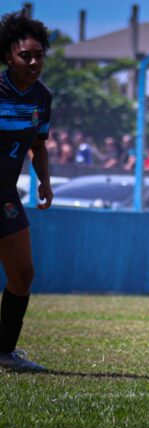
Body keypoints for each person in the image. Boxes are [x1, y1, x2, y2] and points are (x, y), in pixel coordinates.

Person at [0, 11, 53, 371]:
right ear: (7, 56)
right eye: (25, 56)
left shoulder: (41, 97)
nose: (34, 62)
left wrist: (44, 180)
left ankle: (5, 351)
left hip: (5, 195)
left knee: (22, 274)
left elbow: (37, 143)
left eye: (39, 55)